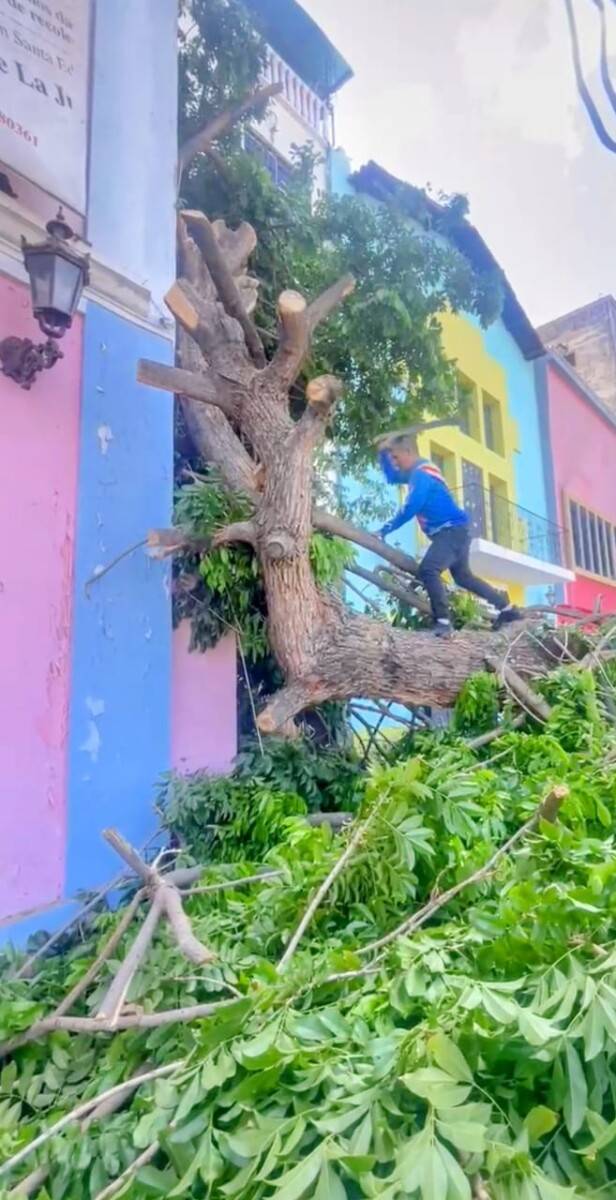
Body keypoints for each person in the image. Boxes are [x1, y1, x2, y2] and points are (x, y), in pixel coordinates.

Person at [376, 434, 521, 637]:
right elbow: (393, 478)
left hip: (450, 532)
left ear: (408, 452)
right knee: (463, 577)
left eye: (396, 458)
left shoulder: (421, 474)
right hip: (457, 532)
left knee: (429, 570)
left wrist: (385, 529)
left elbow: (411, 507)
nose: (395, 463)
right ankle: (507, 610)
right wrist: (383, 454)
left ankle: (443, 622)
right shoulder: (419, 473)